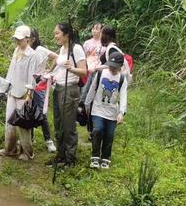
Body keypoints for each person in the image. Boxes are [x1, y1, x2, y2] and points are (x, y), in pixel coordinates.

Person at [49, 22, 88, 168]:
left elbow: (84, 71)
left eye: (57, 33)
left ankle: (70, 159)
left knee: (68, 125)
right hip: (58, 88)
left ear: (66, 34)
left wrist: (71, 68)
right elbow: (59, 68)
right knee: (58, 123)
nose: (55, 36)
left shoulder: (76, 49)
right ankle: (60, 155)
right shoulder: (62, 49)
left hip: (70, 89)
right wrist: (49, 74)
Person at [0, 24, 38, 161]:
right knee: (9, 121)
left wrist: (29, 94)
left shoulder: (32, 55)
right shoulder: (16, 51)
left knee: (23, 123)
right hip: (12, 91)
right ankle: (10, 148)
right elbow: (11, 71)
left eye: (20, 39)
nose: (18, 42)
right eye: (16, 39)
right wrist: (6, 87)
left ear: (28, 39)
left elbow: (32, 76)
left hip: (23, 94)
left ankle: (27, 152)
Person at [83, 52, 127, 169]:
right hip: (98, 109)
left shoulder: (122, 79)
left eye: (114, 66)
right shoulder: (101, 73)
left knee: (109, 135)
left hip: (112, 112)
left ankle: (106, 158)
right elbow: (92, 89)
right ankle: (95, 157)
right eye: (110, 65)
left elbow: (123, 96)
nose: (112, 68)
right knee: (97, 130)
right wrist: (87, 104)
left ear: (120, 66)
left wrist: (121, 113)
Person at [29, 28, 56, 153]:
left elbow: (56, 57)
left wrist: (49, 71)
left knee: (42, 113)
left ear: (33, 39)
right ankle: (30, 138)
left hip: (39, 84)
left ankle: (48, 140)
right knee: (28, 110)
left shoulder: (40, 49)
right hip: (28, 84)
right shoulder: (25, 50)